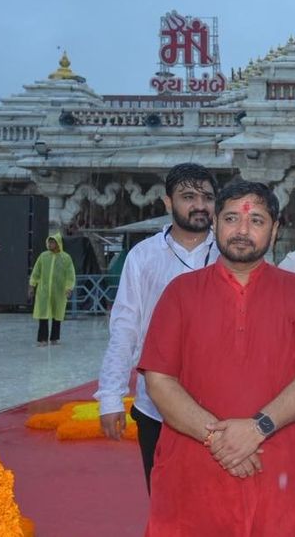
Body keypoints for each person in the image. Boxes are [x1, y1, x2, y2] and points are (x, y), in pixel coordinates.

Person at [139, 180, 295, 535]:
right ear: (215, 224)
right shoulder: (180, 293)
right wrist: (221, 440)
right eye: (232, 219)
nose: (242, 230)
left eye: (257, 221)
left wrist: (257, 429)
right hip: (196, 469)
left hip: (281, 470)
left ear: (274, 231)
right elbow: (159, 380)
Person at [94, 162, 217, 493]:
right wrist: (110, 397)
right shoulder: (143, 256)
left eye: (207, 197)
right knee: (165, 501)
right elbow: (125, 328)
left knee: (219, 506)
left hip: (221, 406)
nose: (200, 205)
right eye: (188, 196)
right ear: (167, 202)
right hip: (155, 406)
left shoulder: (231, 253)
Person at [28, 232, 76, 346]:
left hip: (59, 291)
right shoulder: (43, 256)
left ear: (58, 243)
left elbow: (70, 274)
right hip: (44, 291)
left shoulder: (65, 258)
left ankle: (54, 338)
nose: (50, 244)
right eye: (49, 242)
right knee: (43, 315)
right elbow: (36, 272)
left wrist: (69, 288)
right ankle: (42, 339)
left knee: (57, 315)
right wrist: (32, 285)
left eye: (53, 242)